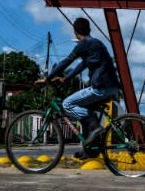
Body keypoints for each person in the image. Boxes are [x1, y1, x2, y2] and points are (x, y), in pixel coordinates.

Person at [35, 17, 120, 158]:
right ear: (89, 29)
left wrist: (47, 79)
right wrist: (66, 78)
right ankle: (89, 149)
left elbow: (66, 61)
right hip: (112, 87)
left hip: (100, 86)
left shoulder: (84, 44)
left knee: (67, 104)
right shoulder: (96, 43)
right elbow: (83, 65)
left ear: (75, 32)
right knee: (85, 113)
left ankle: (95, 128)